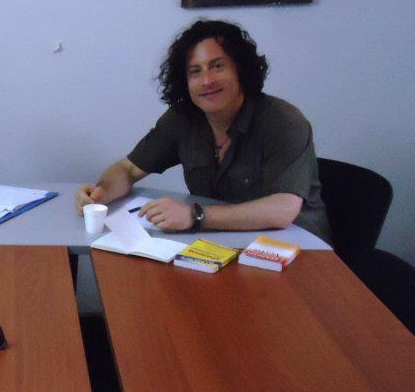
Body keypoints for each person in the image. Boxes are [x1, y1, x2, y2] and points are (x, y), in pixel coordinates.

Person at [75, 19, 330, 241]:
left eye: (217, 66)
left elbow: (282, 210)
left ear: (241, 70)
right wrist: (101, 193)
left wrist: (194, 215)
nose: (207, 81)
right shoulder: (183, 118)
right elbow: (128, 169)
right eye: (195, 72)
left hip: (296, 247)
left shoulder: (283, 120)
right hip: (222, 243)